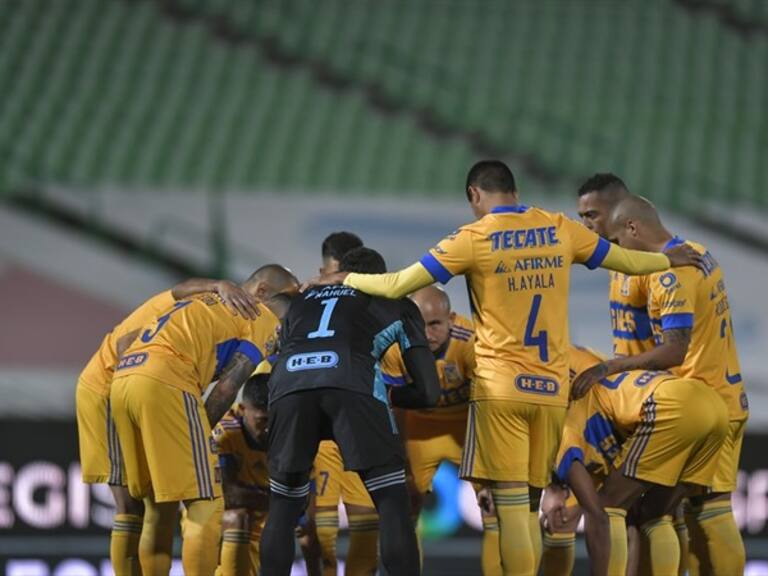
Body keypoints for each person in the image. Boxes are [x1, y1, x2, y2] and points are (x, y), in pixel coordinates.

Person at [308, 160, 703, 575]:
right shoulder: (560, 227)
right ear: (513, 190)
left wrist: (344, 279)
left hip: (501, 392)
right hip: (551, 391)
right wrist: (667, 260)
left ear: (475, 196)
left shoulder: (474, 237)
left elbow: (399, 284)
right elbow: (622, 259)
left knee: (512, 507)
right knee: (530, 505)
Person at [571, 196, 749, 575]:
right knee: (670, 514)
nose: (618, 252)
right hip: (721, 397)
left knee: (686, 513)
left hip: (696, 396)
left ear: (632, 227)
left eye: (618, 241)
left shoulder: (669, 273)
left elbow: (675, 350)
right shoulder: (695, 253)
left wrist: (613, 367)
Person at [260, 247, 440, 576]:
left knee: (284, 506)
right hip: (351, 383)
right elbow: (429, 392)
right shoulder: (398, 303)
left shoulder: (302, 300)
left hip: (288, 386)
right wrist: (389, 393)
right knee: (391, 503)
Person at [110, 265, 298, 576]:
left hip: (124, 380)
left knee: (157, 507)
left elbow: (124, 341)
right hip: (167, 382)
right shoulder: (262, 315)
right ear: (265, 294)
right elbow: (227, 387)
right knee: (206, 505)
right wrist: (198, 433)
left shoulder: (203, 299)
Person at [76, 278, 261, 576]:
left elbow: (179, 291)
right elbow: (126, 345)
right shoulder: (186, 311)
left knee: (151, 505)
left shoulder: (183, 309)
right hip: (110, 386)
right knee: (148, 505)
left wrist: (216, 286)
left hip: (113, 386)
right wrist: (217, 285)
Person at [576, 174, 685, 575]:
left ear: (623, 213)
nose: (588, 225)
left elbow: (675, 346)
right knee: (651, 514)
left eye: (593, 215)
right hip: (635, 400)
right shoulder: (619, 259)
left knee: (640, 511)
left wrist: (617, 369)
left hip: (657, 401)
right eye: (581, 217)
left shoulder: (655, 266)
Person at [553, 346, 727, 576]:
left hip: (672, 406)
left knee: (609, 506)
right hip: (712, 406)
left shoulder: (563, 430)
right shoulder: (589, 369)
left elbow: (596, 513)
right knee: (650, 515)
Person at [380, 285, 501, 574]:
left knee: (494, 509)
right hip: (421, 428)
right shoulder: (394, 347)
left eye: (434, 324)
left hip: (468, 428)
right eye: (417, 325)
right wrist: (400, 456)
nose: (426, 334)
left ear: (451, 319)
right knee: (407, 507)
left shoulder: (472, 342)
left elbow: (490, 406)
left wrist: (492, 462)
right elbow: (391, 406)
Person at [313, 231, 380, 576]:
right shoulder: (305, 302)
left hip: (356, 426)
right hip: (321, 430)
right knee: (319, 534)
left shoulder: (376, 308)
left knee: (366, 531)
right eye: (339, 274)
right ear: (326, 271)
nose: (345, 283)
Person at [213, 373, 271, 576]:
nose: (268, 429)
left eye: (273, 420)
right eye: (262, 420)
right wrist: (279, 502)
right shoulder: (224, 433)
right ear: (243, 409)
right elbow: (228, 495)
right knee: (236, 517)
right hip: (221, 527)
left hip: (261, 523)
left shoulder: (286, 431)